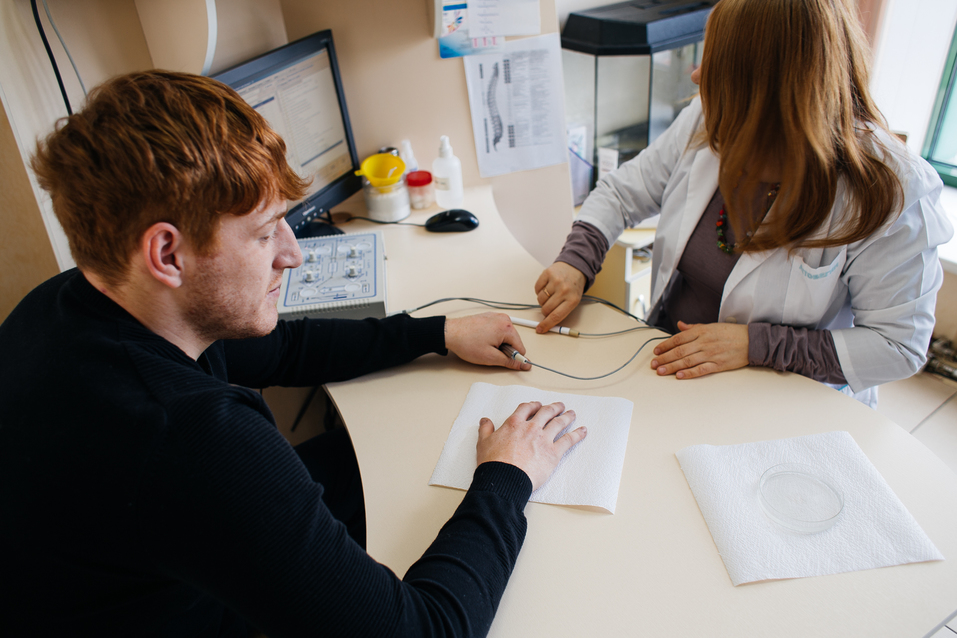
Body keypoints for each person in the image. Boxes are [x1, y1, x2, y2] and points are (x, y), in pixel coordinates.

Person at [0, 71, 586, 637]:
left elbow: (280, 349)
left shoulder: (69, 300)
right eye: (264, 231)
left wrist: (435, 334)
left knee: (390, 460)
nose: (293, 254)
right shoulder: (187, 437)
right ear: (167, 254)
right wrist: (509, 476)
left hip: (134, 581)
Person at [535, 0, 953, 407]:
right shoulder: (707, 118)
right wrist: (576, 261)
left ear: (768, 92)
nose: (697, 77)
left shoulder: (894, 191)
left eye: (718, 63)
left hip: (780, 396)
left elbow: (898, 347)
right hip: (668, 361)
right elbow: (622, 192)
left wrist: (757, 345)